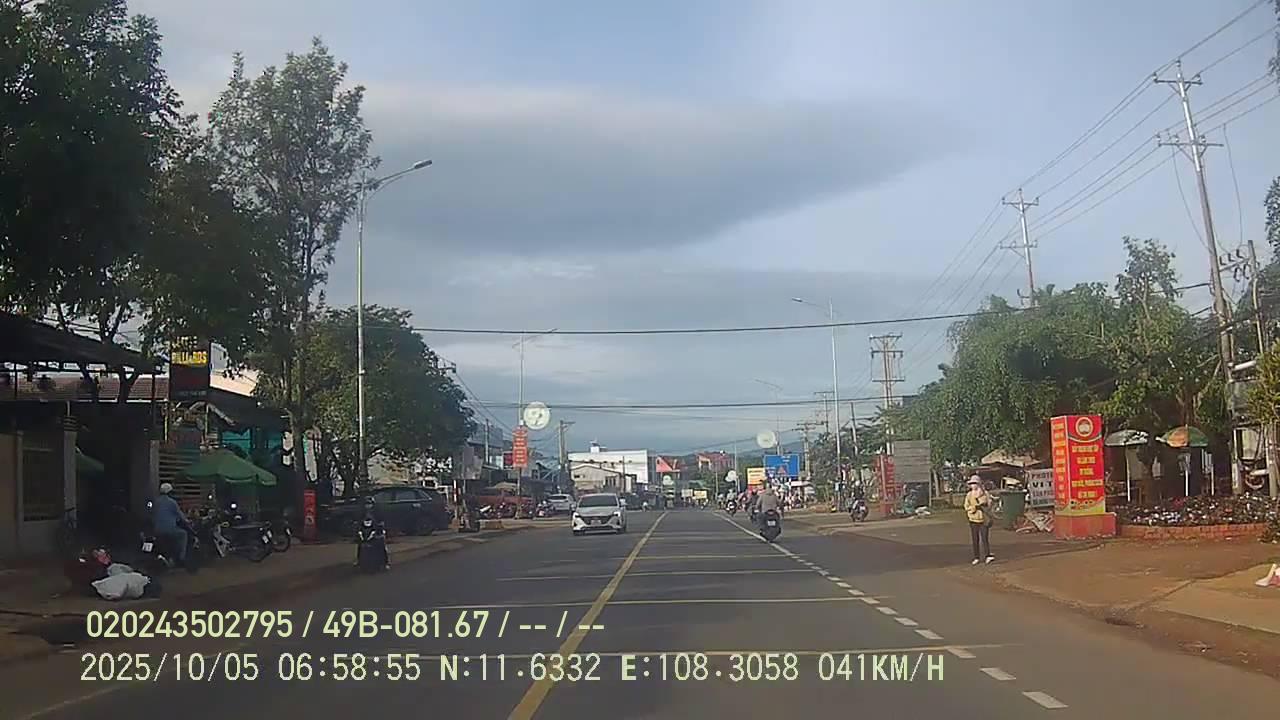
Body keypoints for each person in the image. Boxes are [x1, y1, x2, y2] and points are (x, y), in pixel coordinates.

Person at [152, 483, 194, 569]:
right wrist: (188, 521)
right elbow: (181, 516)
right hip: (169, 530)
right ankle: (181, 558)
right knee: (183, 534)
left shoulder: (156, 502)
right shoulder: (172, 502)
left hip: (157, 530)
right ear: (169, 492)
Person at [964, 475, 995, 565]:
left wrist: (984, 505)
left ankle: (987, 555)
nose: (973, 485)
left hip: (983, 519)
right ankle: (976, 557)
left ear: (979, 484)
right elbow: (966, 506)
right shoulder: (969, 495)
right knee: (975, 539)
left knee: (985, 538)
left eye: (975, 483)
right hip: (973, 519)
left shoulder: (985, 493)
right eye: (972, 483)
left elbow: (990, 504)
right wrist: (974, 508)